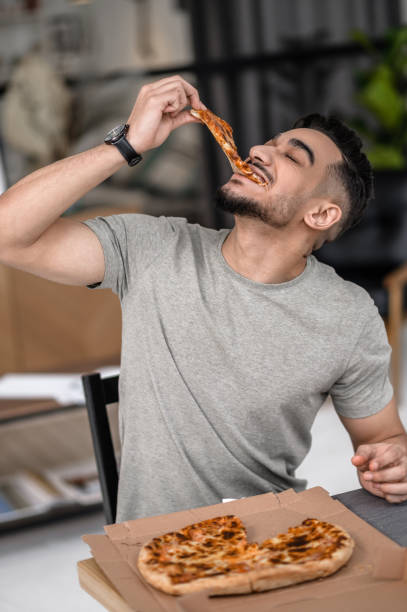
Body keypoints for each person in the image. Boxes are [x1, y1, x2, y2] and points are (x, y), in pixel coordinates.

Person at [0, 76, 406, 521]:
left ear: (322, 213)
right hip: (155, 548)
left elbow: (383, 441)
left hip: (273, 538)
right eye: (269, 143)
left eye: (291, 156)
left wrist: (393, 465)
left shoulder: (347, 315)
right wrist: (127, 144)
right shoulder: (153, 247)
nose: (259, 151)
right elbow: (8, 235)